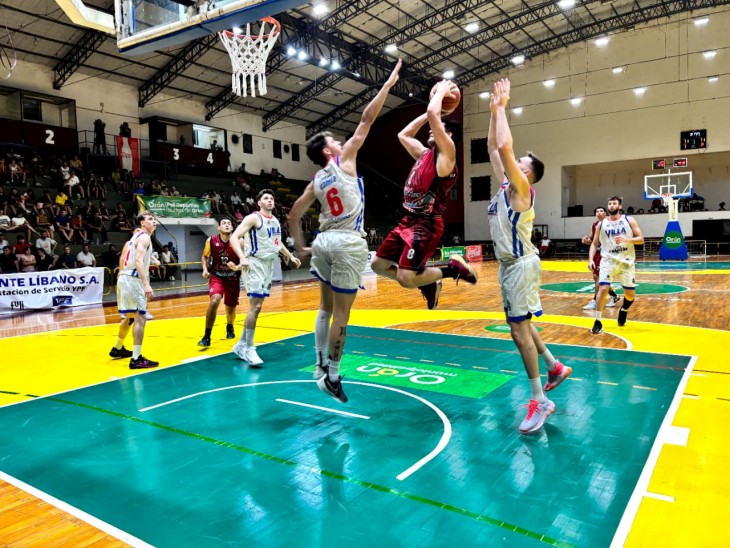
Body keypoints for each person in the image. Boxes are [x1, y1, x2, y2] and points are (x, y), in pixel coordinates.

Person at [288, 60, 402, 403]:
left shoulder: (316, 180)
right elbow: (367, 120)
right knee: (342, 313)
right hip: (348, 241)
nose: (341, 142)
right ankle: (332, 376)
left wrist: (301, 247)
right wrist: (387, 85)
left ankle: (319, 363)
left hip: (323, 242)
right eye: (334, 141)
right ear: (327, 152)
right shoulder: (345, 160)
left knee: (324, 308)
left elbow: (294, 213)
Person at [487, 77, 571, 434]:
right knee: (520, 325)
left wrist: (504, 106)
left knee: (519, 333)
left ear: (527, 173)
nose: (513, 160)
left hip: (521, 265)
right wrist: (493, 111)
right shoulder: (507, 186)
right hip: (509, 267)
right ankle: (553, 366)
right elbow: (495, 147)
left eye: (519, 161)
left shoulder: (522, 189)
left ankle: (541, 399)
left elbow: (504, 146)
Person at [371, 80, 476, 311]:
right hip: (408, 220)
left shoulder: (447, 155)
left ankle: (450, 268)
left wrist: (439, 97)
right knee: (378, 265)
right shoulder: (424, 154)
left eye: (436, 126)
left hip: (425, 224)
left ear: (447, 134)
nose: (431, 128)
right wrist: (431, 115)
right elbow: (403, 134)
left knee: (405, 278)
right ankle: (428, 282)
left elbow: (432, 111)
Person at [229, 190, 302, 364]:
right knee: (255, 306)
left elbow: (278, 242)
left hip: (268, 265)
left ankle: (241, 345)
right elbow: (234, 237)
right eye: (266, 198)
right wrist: (242, 257)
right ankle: (249, 349)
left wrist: (290, 256)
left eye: (271, 198)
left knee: (258, 306)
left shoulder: (275, 220)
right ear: (259, 203)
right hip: (254, 264)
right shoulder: (253, 218)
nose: (270, 200)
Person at [108, 212, 159, 369]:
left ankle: (117, 348)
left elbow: (123, 259)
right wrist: (146, 284)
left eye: (154, 218)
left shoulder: (132, 240)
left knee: (129, 318)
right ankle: (136, 358)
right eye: (150, 219)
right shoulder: (144, 237)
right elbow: (137, 260)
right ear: (142, 223)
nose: (154, 221)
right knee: (140, 318)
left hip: (123, 277)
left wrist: (152, 259)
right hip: (133, 279)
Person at [589, 196, 644, 334]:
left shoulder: (629, 220)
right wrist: (590, 259)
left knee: (630, 296)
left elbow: (641, 239)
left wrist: (627, 239)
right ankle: (598, 321)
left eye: (614, 203)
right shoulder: (601, 224)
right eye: (609, 203)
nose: (611, 205)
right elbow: (595, 243)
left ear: (619, 206)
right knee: (603, 288)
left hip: (626, 261)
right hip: (608, 260)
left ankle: (624, 309)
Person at [198, 219, 242, 347]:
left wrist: (237, 267)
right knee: (214, 301)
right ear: (219, 227)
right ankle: (206, 336)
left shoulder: (239, 241)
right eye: (224, 223)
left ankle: (230, 326)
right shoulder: (211, 241)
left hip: (233, 279)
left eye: (229, 223)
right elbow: (204, 256)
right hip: (217, 277)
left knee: (230, 308)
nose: (227, 225)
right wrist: (205, 269)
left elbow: (245, 260)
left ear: (232, 228)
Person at [581, 207, 619, 310]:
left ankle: (594, 301)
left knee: (598, 278)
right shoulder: (594, 225)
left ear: (605, 213)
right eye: (597, 211)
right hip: (597, 253)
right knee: (597, 277)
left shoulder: (611, 224)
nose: (599, 213)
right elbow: (593, 241)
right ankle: (614, 296)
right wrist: (586, 241)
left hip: (607, 254)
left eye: (601, 211)